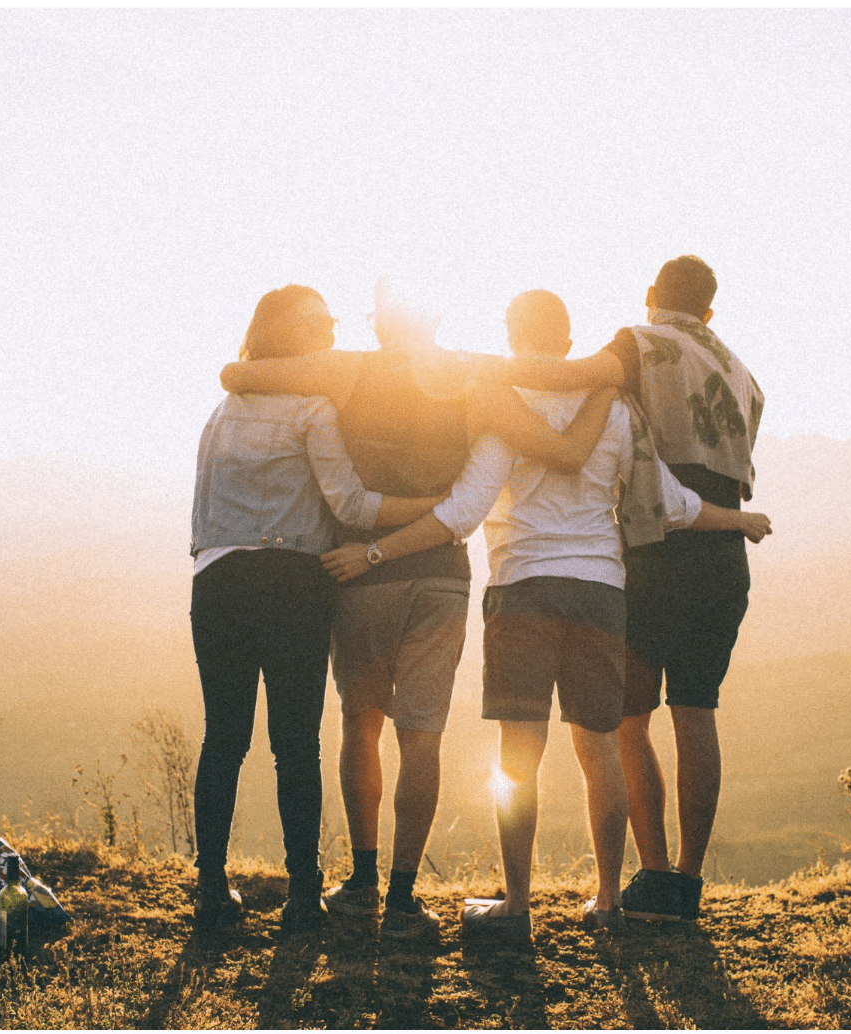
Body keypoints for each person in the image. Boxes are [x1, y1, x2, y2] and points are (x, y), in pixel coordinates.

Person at [322, 289, 770, 940]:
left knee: (519, 756)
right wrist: (741, 520)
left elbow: (462, 512)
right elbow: (672, 503)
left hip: (523, 589)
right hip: (600, 593)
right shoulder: (614, 408)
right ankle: (610, 901)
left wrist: (375, 551)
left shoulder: (503, 404)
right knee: (600, 751)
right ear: (567, 342)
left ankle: (517, 906)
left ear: (511, 335)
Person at [219, 277, 614, 940]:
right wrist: (607, 380)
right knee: (421, 736)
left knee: (361, 723)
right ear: (436, 317)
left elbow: (238, 373)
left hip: (360, 572)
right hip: (440, 577)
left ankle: (363, 880)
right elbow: (560, 441)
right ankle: (403, 900)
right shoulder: (473, 379)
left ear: (379, 324)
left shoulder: (346, 372)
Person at [474, 256, 764, 923]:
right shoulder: (742, 372)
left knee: (624, 723)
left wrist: (473, 371)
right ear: (710, 312)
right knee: (697, 714)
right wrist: (740, 520)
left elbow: (570, 377)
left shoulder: (639, 344)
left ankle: (653, 877)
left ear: (651, 296)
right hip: (721, 553)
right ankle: (687, 885)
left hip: (655, 551)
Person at [187, 285, 445, 933]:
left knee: (224, 738)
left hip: (216, 580)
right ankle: (303, 896)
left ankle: (212, 890)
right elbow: (352, 507)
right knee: (294, 744)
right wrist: (433, 509)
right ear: (289, 335)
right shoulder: (313, 409)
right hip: (293, 584)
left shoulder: (222, 411)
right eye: (318, 323)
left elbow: (203, 512)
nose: (331, 329)